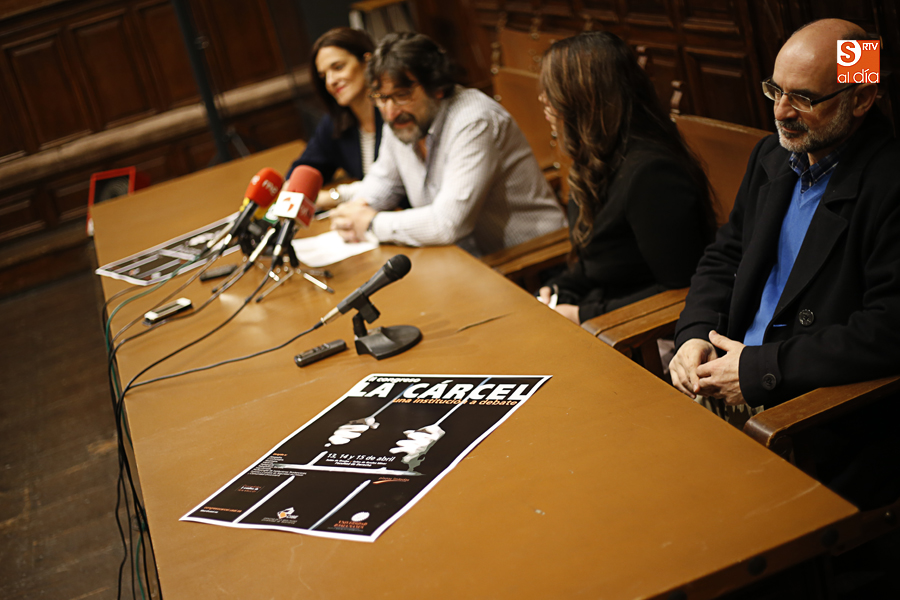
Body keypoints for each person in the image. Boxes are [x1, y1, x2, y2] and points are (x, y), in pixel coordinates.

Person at [668, 19, 900, 506]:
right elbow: (725, 253)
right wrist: (692, 334)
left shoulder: (890, 184)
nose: (781, 112)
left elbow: (888, 330)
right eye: (775, 90)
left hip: (814, 423)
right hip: (727, 387)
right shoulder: (772, 156)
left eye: (805, 98)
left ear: (861, 98)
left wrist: (757, 369)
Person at [328, 32, 567, 256]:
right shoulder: (402, 120)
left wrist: (371, 223)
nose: (390, 112)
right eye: (381, 98)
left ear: (437, 88)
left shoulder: (474, 120)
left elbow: (448, 224)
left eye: (401, 95)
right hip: (461, 258)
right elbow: (384, 182)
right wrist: (355, 212)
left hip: (532, 259)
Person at [534, 32, 716, 324]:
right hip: (604, 312)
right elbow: (598, 260)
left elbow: (683, 287)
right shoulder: (595, 156)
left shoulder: (651, 173)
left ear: (584, 95)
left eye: (551, 89)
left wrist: (583, 314)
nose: (542, 98)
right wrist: (561, 288)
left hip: (648, 333)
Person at [286, 27, 382, 209]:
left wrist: (332, 197)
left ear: (367, 62)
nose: (330, 81)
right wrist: (291, 188)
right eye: (323, 76)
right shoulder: (335, 122)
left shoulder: (394, 113)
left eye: (338, 67)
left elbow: (391, 184)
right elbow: (305, 168)